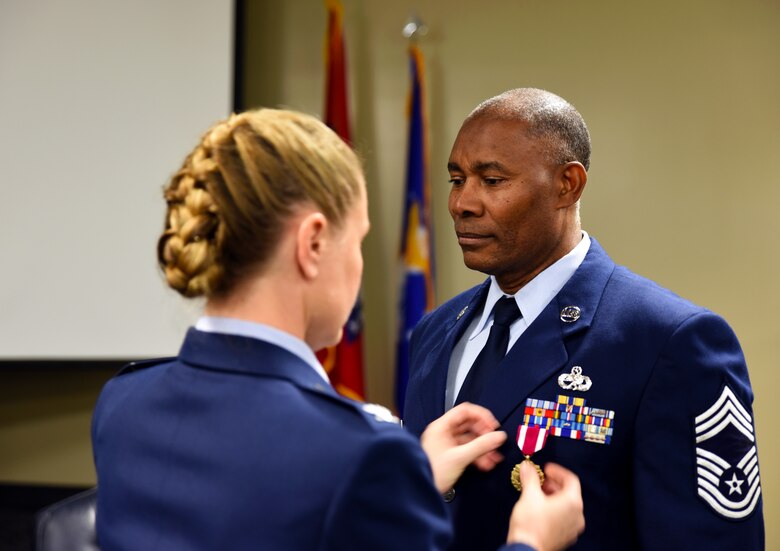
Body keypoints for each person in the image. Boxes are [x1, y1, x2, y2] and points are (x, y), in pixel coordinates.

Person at [91, 108, 584, 550]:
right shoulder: (362, 453)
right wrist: (531, 544)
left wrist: (410, 479)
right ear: (313, 244)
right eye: (359, 241)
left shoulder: (124, 401)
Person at [402, 88, 765, 550]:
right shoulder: (436, 330)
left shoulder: (668, 340)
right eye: (457, 180)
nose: (462, 204)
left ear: (567, 185)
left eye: (492, 181)